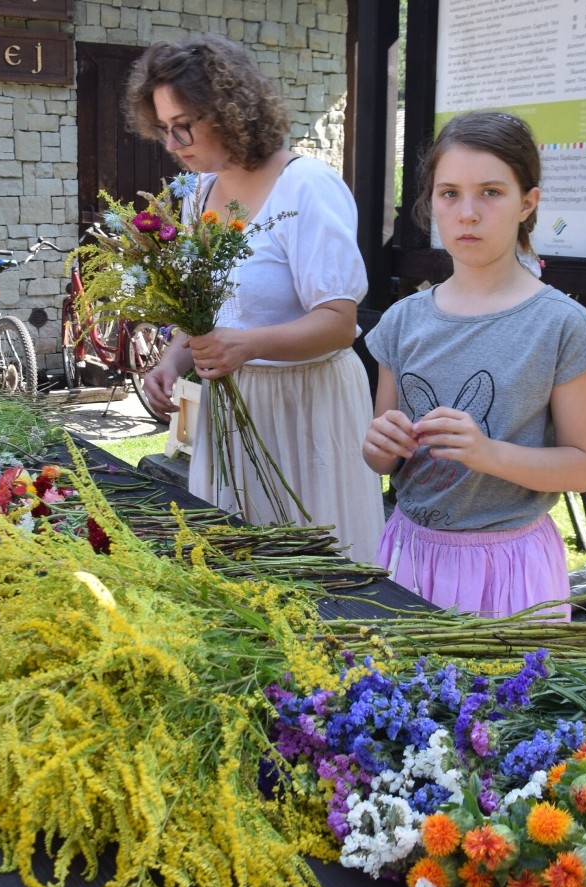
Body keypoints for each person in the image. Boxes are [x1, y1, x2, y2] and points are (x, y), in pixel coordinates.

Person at [124, 34, 385, 564]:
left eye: (183, 127)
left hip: (309, 406)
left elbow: (338, 324)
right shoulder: (200, 193)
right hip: (235, 409)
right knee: (239, 569)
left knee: (319, 570)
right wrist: (172, 360)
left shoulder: (307, 187)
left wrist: (246, 346)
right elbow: (209, 308)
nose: (172, 145)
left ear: (227, 110)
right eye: (162, 131)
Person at [363, 111, 586, 619]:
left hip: (510, 565)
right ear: (430, 203)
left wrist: (486, 452)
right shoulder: (403, 321)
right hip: (411, 553)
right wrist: (378, 445)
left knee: (505, 696)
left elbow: (583, 468)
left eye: (491, 192)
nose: (467, 213)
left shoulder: (559, 324)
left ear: (527, 203)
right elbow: (384, 458)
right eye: (449, 193)